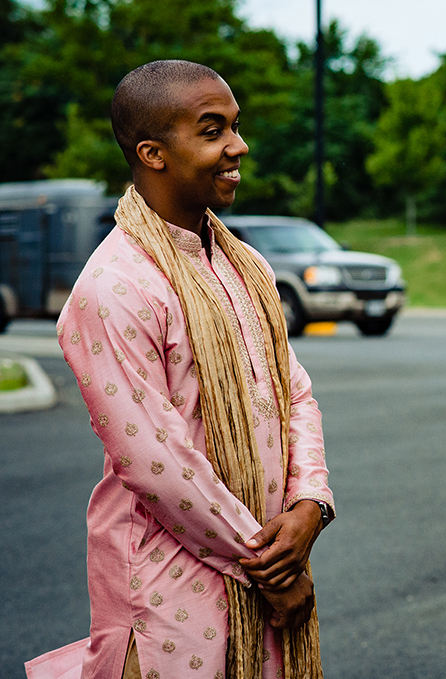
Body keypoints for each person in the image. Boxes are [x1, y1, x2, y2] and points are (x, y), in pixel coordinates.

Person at [35, 60, 334, 679]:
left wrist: (309, 504)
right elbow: (154, 459)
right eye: (212, 130)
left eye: (235, 125)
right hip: (167, 580)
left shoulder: (243, 265)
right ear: (153, 153)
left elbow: (292, 393)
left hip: (266, 554)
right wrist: (266, 564)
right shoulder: (115, 286)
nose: (238, 145)